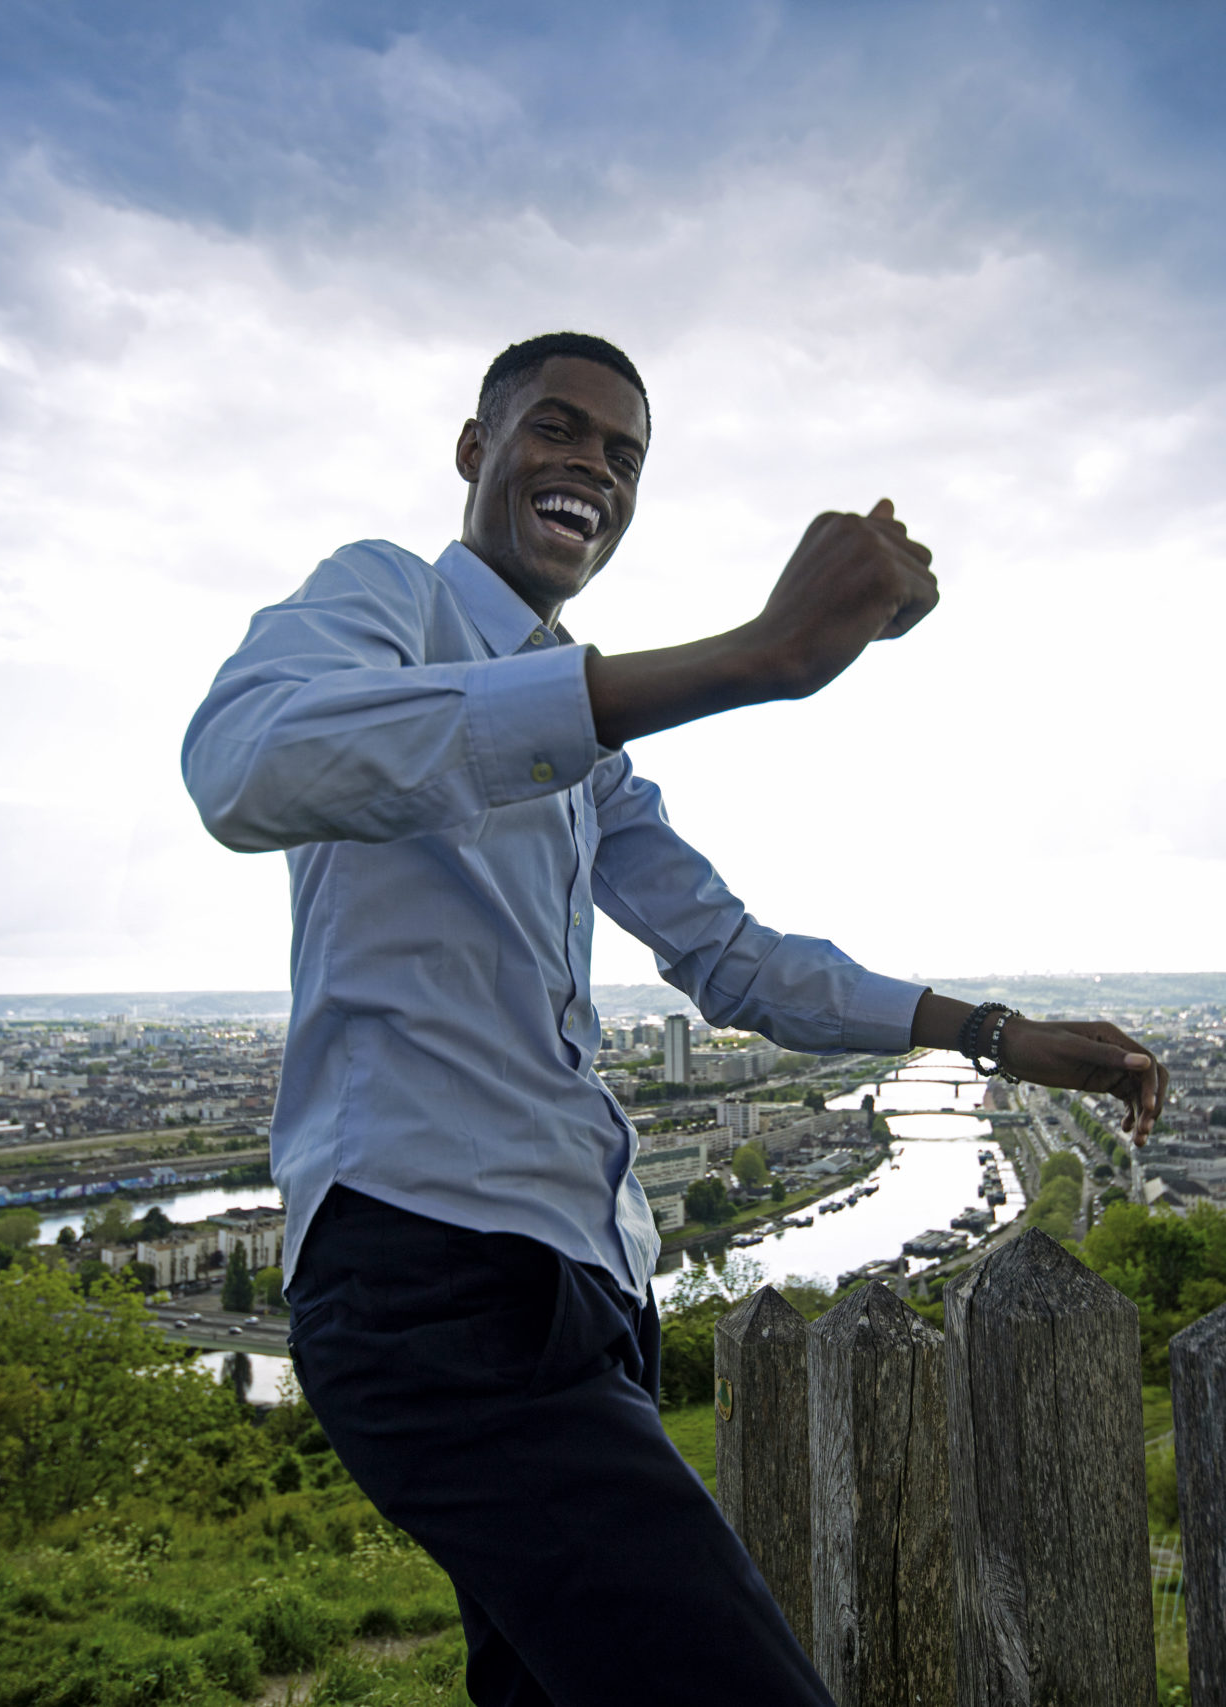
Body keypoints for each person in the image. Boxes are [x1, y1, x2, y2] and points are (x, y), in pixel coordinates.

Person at [181, 331, 1166, 1706]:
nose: (592, 465)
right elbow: (246, 763)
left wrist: (995, 1035)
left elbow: (735, 959)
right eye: (557, 430)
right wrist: (763, 654)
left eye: (624, 455)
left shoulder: (590, 749)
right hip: (431, 1277)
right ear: (475, 450)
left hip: (580, 1289)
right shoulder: (383, 599)